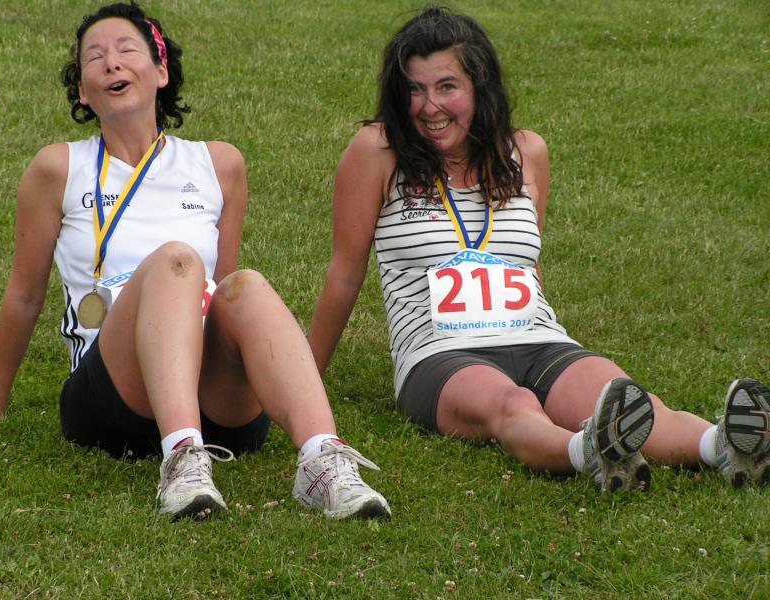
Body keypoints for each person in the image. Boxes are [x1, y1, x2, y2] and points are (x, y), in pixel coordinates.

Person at [308, 6, 770, 492]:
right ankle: (587, 452)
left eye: (447, 87)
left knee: (630, 401)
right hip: (439, 352)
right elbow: (345, 274)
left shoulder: (527, 152)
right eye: (415, 89)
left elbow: (527, 264)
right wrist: (308, 379)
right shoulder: (377, 152)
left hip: (537, 337)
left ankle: (726, 445)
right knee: (513, 405)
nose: (429, 106)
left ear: (479, 87)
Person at [0, 1, 390, 521]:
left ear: (161, 70)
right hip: (112, 397)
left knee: (245, 285)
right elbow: (25, 293)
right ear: (82, 91)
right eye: (94, 57)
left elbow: (224, 293)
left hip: (214, 395)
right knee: (176, 261)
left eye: (127, 50)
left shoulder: (219, 163)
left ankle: (324, 461)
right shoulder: (58, 167)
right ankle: (183, 460)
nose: (111, 62)